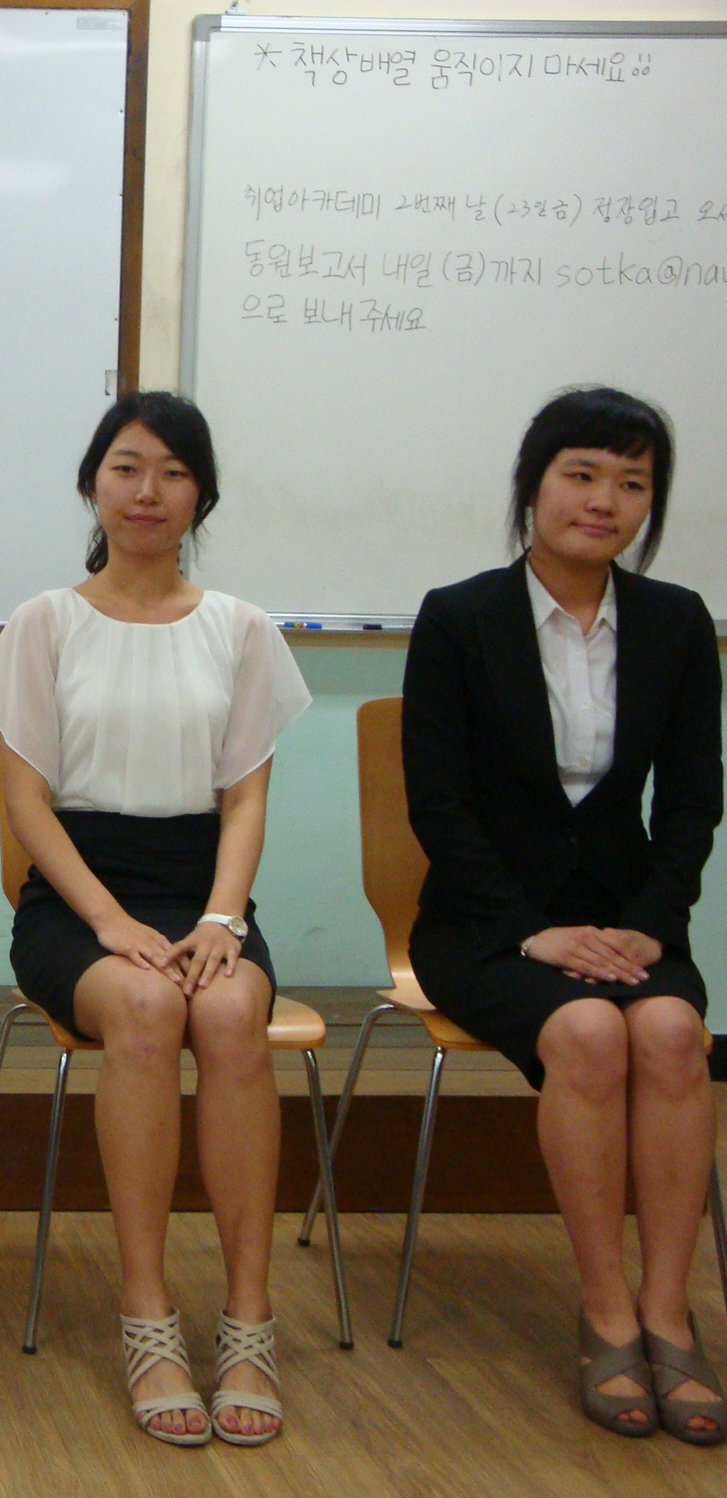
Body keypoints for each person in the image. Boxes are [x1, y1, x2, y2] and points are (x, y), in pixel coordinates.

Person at [0, 392, 309, 1447]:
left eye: (171, 471)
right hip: (77, 895)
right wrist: (109, 920)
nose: (146, 490)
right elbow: (26, 804)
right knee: (148, 1012)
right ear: (91, 484)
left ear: (201, 494)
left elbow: (244, 801)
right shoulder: (43, 623)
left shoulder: (240, 629)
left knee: (229, 1014)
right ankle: (147, 1311)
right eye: (125, 466)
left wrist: (222, 918)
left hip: (201, 893)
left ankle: (247, 1316)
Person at [402, 386, 722, 1445]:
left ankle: (668, 1311)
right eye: (581, 474)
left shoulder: (676, 623)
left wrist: (652, 921)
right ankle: (604, 1309)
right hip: (484, 925)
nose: (604, 500)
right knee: (586, 1032)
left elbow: (692, 800)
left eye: (632, 483)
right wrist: (525, 930)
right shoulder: (459, 618)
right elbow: (437, 804)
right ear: (532, 486)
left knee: (670, 1030)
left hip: (626, 920)